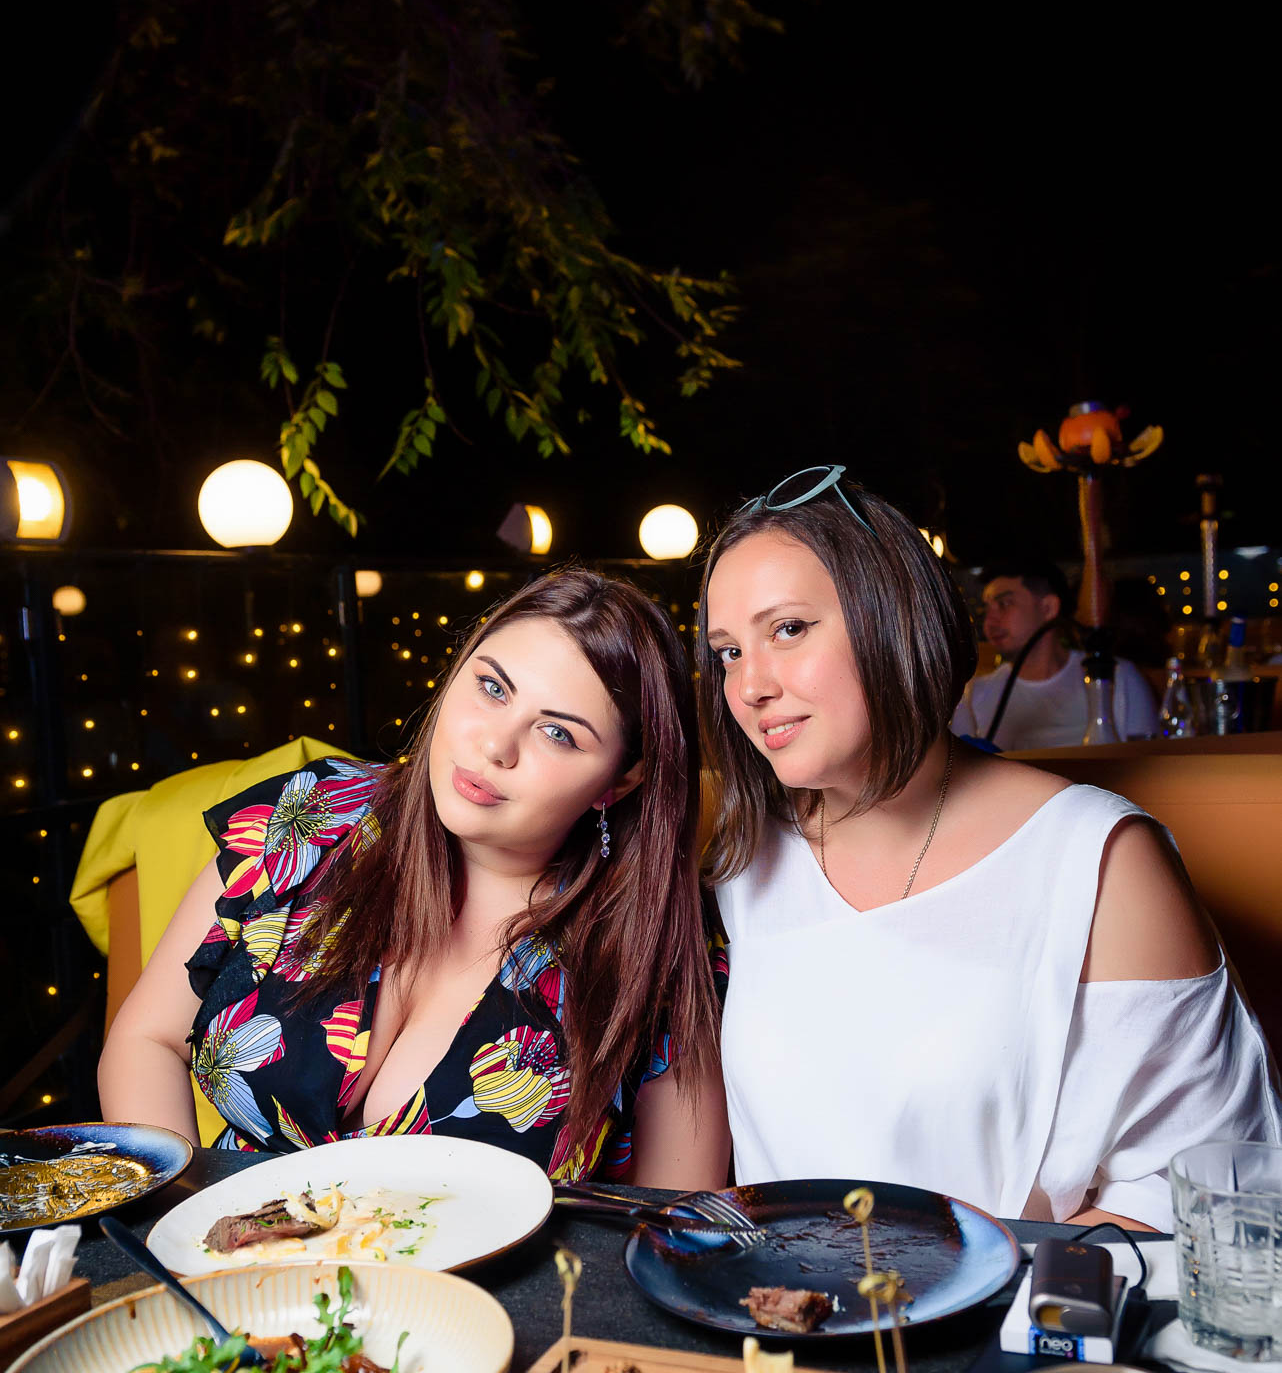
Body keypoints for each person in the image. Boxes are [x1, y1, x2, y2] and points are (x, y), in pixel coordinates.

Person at [699, 466, 1279, 1231]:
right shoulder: (741, 858)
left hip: (1020, 1305)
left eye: (787, 630)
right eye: (728, 652)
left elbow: (1205, 1193)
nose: (750, 686)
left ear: (894, 618)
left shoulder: (1098, 859)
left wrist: (978, 1290)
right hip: (773, 1301)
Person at [99, 569, 730, 1188]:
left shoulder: (659, 953)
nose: (495, 746)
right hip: (225, 1247)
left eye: (557, 733)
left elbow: (675, 1216)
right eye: (492, 688)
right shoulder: (309, 818)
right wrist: (188, 1219)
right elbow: (146, 1039)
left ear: (620, 780)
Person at [952, 560, 1159, 749]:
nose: (989, 622)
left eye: (1004, 604)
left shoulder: (1118, 678)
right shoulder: (973, 694)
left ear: (1048, 608)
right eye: (987, 609)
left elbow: (1149, 762)